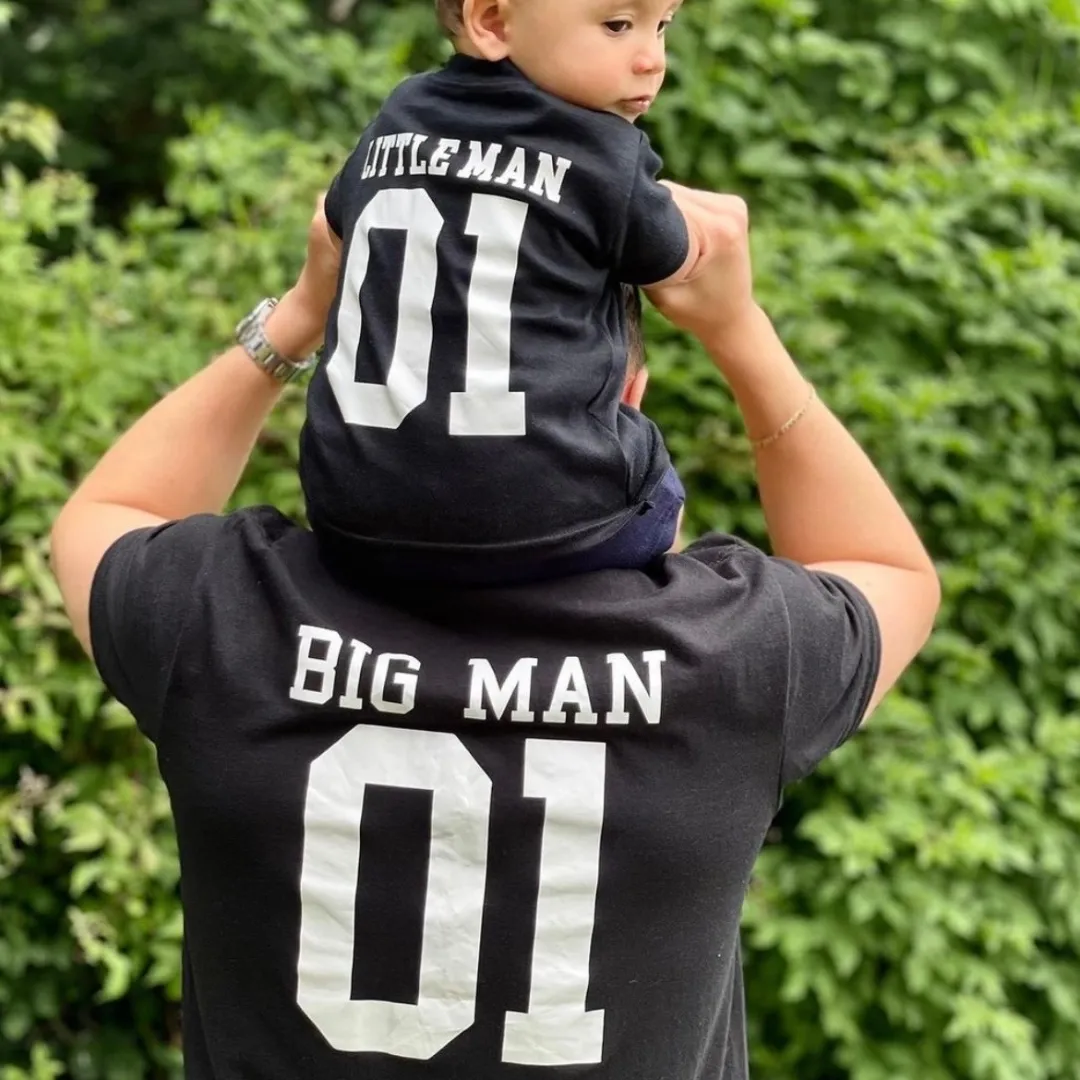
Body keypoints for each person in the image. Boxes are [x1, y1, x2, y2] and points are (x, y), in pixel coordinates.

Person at [50, 188, 940, 1080]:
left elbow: (107, 516)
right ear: (629, 392)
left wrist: (300, 312)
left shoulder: (224, 615)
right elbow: (884, 569)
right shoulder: (733, 653)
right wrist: (737, 330)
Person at [301, 0, 713, 584]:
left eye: (662, 26)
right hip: (546, 522)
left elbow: (339, 220)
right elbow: (673, 258)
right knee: (660, 496)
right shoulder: (604, 150)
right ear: (493, 22)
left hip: (350, 520)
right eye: (618, 25)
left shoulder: (399, 114)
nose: (653, 61)